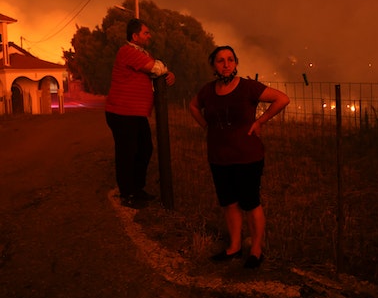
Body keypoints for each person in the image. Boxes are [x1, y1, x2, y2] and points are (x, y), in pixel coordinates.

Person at [189, 45, 290, 268]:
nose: (226, 64)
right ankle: (234, 247)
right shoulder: (207, 91)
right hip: (218, 157)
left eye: (230, 60)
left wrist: (260, 122)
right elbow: (193, 106)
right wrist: (206, 125)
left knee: (250, 203)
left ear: (236, 63)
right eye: (220, 60)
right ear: (213, 65)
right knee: (229, 203)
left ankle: (256, 249)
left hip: (247, 156)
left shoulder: (248, 87)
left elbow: (282, 99)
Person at [105, 18, 175, 208]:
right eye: (146, 32)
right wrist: (164, 70)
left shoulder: (142, 53)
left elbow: (157, 69)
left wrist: (166, 72)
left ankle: (136, 189)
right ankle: (127, 193)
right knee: (127, 152)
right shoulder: (127, 52)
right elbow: (155, 68)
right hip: (122, 111)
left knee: (144, 149)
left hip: (134, 112)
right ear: (135, 36)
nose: (149, 35)